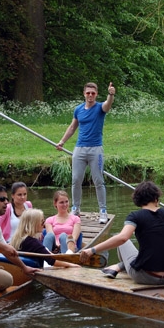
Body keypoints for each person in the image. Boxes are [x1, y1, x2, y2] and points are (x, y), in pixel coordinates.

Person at [79, 181, 164, 285]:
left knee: (121, 239)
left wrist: (92, 250)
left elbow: (122, 238)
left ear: (138, 200)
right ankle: (118, 267)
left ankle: (118, 267)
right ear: (156, 198)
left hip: (146, 277)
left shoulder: (135, 216)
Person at [56, 82, 116, 224]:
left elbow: (108, 105)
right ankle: (76, 208)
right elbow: (72, 127)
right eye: (88, 93)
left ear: (96, 94)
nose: (90, 95)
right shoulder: (78, 110)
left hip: (96, 150)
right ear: (84, 93)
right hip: (80, 149)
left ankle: (103, 210)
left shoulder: (100, 107)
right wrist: (62, 141)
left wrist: (111, 94)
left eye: (93, 93)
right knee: (76, 179)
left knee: (98, 180)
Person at [11, 209, 80, 269]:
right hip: (47, 267)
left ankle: (66, 251)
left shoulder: (17, 239)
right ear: (34, 224)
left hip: (38, 262)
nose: (43, 225)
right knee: (67, 245)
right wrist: (72, 265)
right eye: (42, 222)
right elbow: (52, 261)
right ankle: (70, 250)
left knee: (50, 246)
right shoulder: (33, 243)